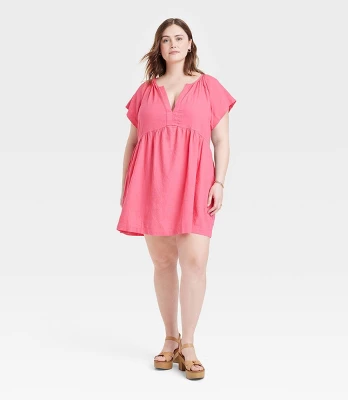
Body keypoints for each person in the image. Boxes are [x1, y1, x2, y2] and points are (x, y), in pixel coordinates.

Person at [116, 17, 236, 380]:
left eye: (179, 38)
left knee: (195, 261)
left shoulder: (209, 87)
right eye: (166, 39)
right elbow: (132, 143)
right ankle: (170, 338)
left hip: (197, 183)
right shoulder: (145, 91)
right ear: (159, 46)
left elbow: (221, 140)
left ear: (190, 44)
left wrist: (219, 182)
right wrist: (126, 188)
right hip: (151, 185)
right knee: (164, 262)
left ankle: (189, 344)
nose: (173, 44)